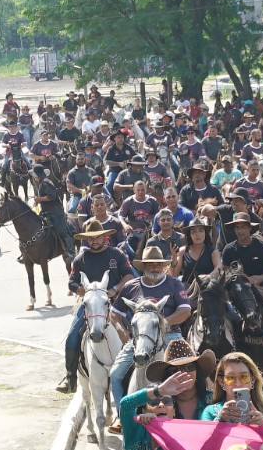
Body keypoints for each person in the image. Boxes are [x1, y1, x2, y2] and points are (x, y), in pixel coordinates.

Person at [57, 221, 135, 393]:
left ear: (104, 236)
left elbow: (129, 275)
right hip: (90, 305)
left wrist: (115, 288)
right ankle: (70, 377)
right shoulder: (80, 259)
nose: (94, 241)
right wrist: (86, 292)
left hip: (116, 302)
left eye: (97, 237)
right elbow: (72, 283)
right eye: (90, 238)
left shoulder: (116, 254)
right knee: (72, 336)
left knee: (137, 327)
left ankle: (141, 371)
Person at [108, 247, 192, 408]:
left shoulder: (174, 284)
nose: (155, 268)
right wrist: (121, 331)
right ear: (144, 267)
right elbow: (114, 313)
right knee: (115, 374)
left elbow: (185, 311)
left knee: (190, 371)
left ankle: (190, 410)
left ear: (163, 266)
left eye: (158, 264)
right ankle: (121, 414)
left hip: (170, 335)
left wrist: (161, 324)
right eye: (150, 265)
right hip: (139, 338)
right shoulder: (130, 286)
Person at [201, 351, 263, 423]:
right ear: (221, 382)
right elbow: (204, 436)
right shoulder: (210, 412)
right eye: (230, 378)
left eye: (244, 377)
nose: (238, 383)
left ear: (252, 380)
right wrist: (220, 419)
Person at [31, 165, 77, 265]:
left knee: (62, 231)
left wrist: (39, 199)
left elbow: (51, 197)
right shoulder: (41, 183)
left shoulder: (46, 182)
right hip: (46, 211)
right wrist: (38, 201)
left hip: (56, 212)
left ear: (37, 176)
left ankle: (71, 252)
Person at [171, 217, 221, 284]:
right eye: (193, 231)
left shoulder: (213, 252)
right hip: (187, 288)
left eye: (201, 231)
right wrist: (174, 259)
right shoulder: (183, 251)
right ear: (189, 235)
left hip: (207, 287)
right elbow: (174, 274)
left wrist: (210, 276)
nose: (197, 234)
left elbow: (219, 267)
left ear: (205, 233)